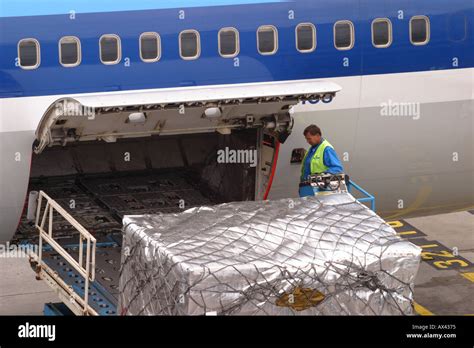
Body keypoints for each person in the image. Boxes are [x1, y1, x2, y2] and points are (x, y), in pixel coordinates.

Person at [299, 125, 344, 197]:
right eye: (306, 139)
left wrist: (321, 175)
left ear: (317, 135)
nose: (307, 141)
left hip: (320, 190)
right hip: (308, 188)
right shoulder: (312, 149)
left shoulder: (326, 149)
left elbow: (337, 168)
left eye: (309, 139)